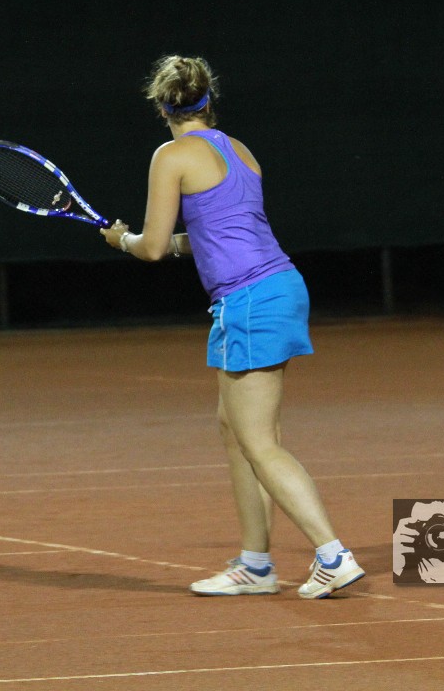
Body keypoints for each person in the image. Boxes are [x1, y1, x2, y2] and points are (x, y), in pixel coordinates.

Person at [101, 54, 363, 599]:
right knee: (236, 429)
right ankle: (256, 564)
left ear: (161, 106)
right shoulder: (240, 151)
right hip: (280, 287)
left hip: (248, 300)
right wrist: (153, 241)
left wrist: (122, 240)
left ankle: (332, 555)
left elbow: (152, 247)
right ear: (208, 99)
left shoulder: (171, 155)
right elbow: (210, 234)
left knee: (260, 442)